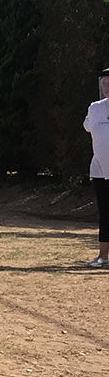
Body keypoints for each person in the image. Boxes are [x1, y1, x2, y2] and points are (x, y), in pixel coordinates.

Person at [82, 66, 109, 268]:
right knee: (104, 212)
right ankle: (102, 255)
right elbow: (88, 127)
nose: (106, 87)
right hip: (99, 168)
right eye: (104, 83)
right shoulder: (95, 107)